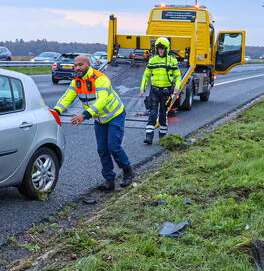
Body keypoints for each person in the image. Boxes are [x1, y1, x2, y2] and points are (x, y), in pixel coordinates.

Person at [52, 55, 134, 191]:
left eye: (80, 65)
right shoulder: (76, 81)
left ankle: (128, 171)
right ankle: (109, 180)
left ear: (88, 65)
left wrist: (85, 115)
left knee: (114, 147)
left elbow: (102, 101)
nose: (77, 68)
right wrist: (56, 112)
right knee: (102, 149)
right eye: (75, 65)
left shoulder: (100, 79)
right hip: (99, 118)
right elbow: (67, 98)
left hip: (115, 115)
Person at [140, 37, 181, 144]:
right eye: (159, 48)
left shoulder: (172, 61)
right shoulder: (153, 60)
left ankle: (163, 138)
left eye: (162, 48)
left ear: (166, 49)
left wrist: (177, 88)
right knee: (152, 113)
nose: (160, 50)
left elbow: (178, 76)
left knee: (163, 114)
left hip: (166, 92)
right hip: (154, 91)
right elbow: (146, 75)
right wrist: (142, 88)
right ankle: (149, 137)